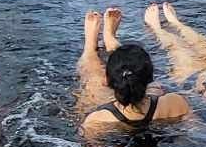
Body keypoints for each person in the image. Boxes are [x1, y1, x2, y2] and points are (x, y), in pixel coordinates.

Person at [77, 8, 192, 138]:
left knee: (93, 87)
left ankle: (90, 48)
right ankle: (110, 39)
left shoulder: (97, 120)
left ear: (106, 81)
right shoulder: (175, 103)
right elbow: (196, 128)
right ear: (151, 77)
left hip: (113, 114)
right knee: (154, 89)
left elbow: (90, 145)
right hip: (152, 106)